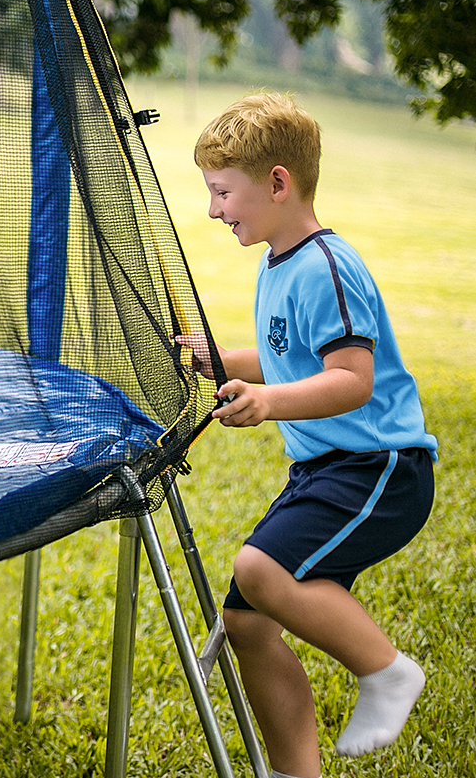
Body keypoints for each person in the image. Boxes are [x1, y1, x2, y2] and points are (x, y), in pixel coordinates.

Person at [178, 92, 436, 778]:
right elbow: (291, 359)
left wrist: (267, 403)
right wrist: (220, 359)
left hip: (378, 467)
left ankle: (385, 671)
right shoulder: (276, 261)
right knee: (247, 621)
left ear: (276, 182)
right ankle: (295, 773)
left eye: (221, 191)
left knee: (258, 569)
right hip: (324, 471)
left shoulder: (326, 264)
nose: (213, 210)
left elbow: (350, 377)